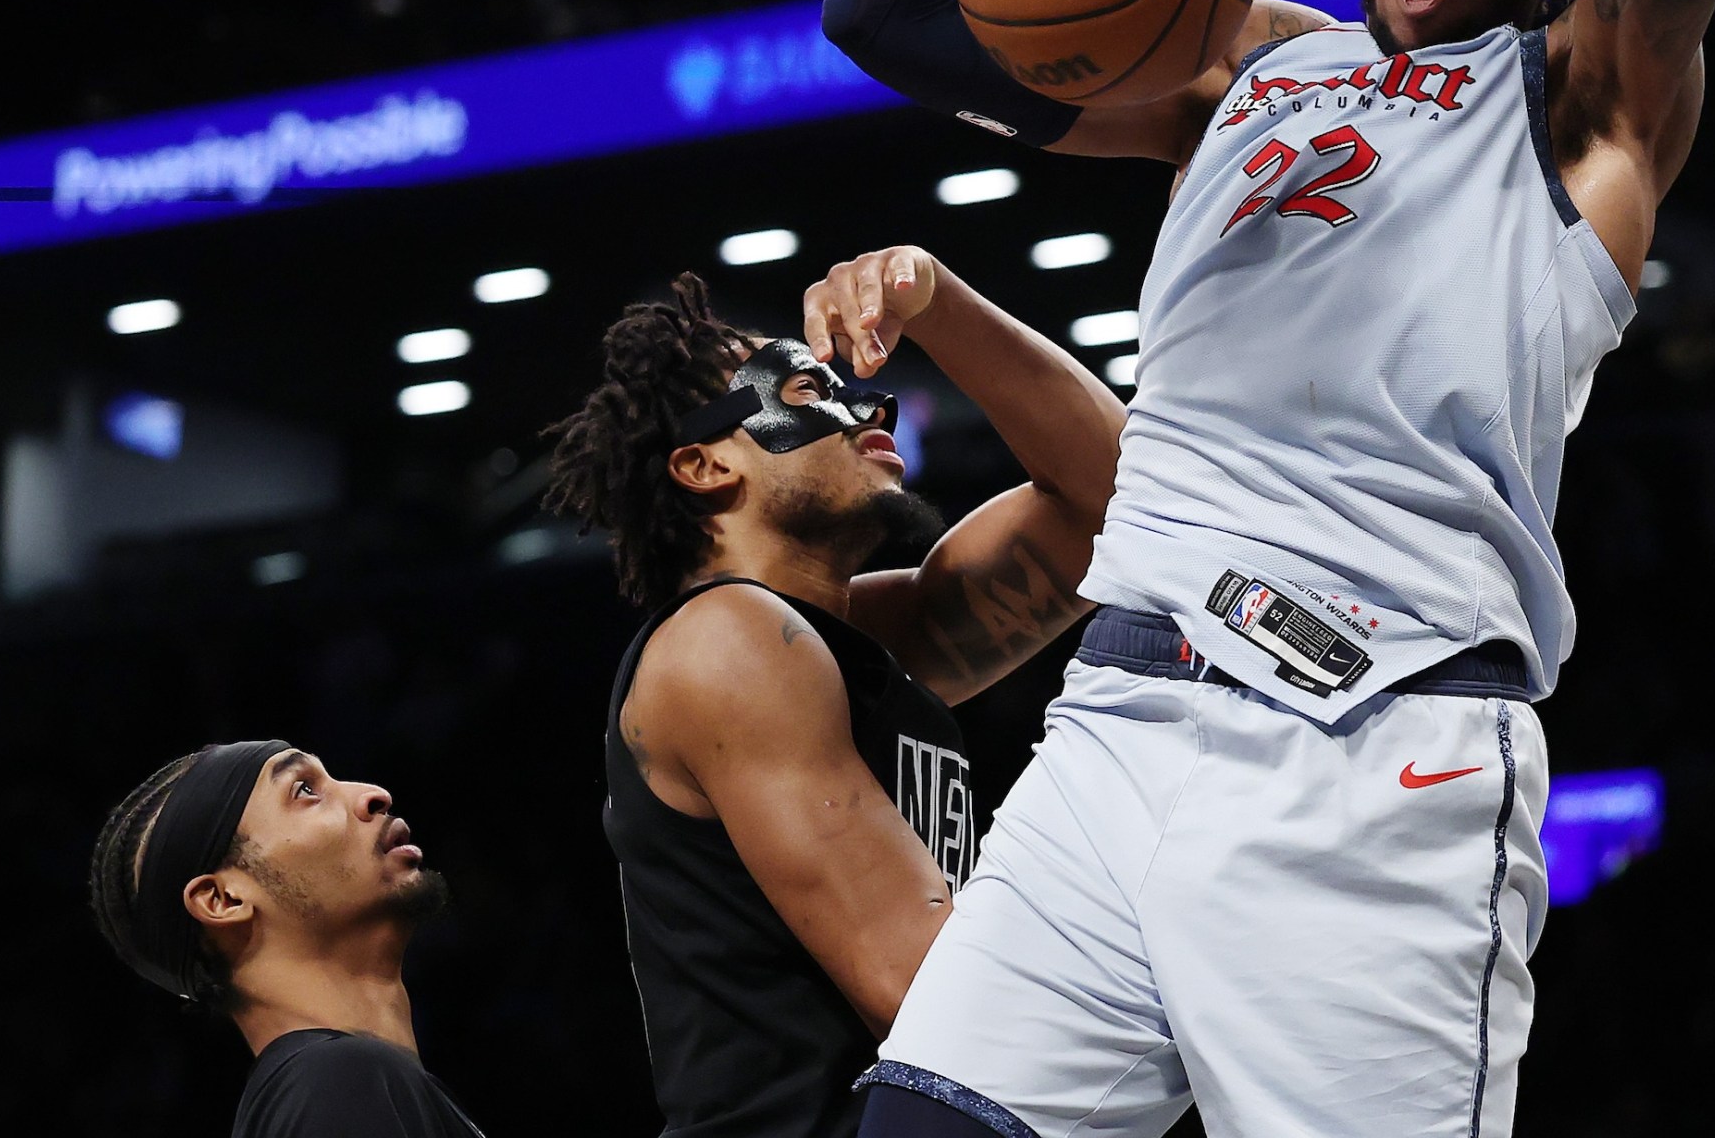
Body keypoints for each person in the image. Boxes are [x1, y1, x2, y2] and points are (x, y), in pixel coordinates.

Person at [820, 0, 1715, 1138]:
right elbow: (884, 10)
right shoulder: (1236, 71)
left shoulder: (1591, 107)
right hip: (1123, 718)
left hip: (1372, 757)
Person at [543, 245, 1127, 1138]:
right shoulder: (732, 641)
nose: (867, 401)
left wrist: (938, 301)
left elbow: (1126, 499)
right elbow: (920, 986)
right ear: (705, 467)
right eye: (808, 393)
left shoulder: (850, 640)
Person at [88, 741, 481, 1137]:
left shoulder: (336, 1087)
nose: (373, 795)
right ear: (224, 900)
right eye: (304, 790)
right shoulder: (333, 1083)